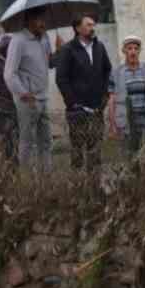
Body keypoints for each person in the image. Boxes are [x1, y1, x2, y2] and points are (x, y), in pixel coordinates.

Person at [55, 14, 113, 171]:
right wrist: (73, 103)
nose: (92, 28)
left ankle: (95, 189)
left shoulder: (99, 47)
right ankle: (79, 189)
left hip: (97, 109)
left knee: (95, 152)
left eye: (93, 24)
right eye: (88, 25)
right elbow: (61, 79)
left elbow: (107, 69)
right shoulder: (68, 50)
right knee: (78, 152)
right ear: (77, 28)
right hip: (77, 110)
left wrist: (105, 95)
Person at [3, 10, 55, 172]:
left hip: (43, 97)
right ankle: (26, 183)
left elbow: (48, 64)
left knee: (46, 141)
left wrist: (59, 51)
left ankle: (45, 179)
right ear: (30, 21)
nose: (44, 24)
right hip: (27, 99)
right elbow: (9, 73)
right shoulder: (18, 41)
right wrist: (23, 93)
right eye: (40, 20)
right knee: (27, 141)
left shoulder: (44, 39)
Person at [107, 34, 145, 157]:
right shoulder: (116, 73)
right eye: (129, 48)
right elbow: (112, 100)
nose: (133, 52)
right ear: (124, 51)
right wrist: (113, 124)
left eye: (136, 49)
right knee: (130, 157)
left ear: (139, 51)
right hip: (126, 122)